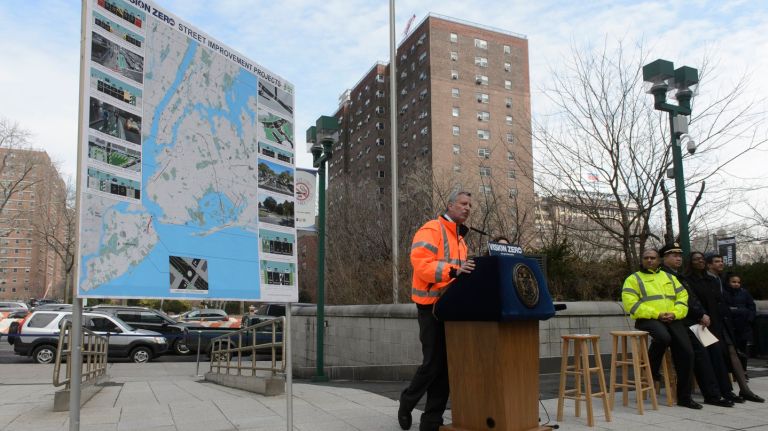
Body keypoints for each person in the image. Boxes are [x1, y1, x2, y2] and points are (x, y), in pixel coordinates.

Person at [398, 190, 475, 431]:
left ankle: (432, 421)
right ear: (450, 205)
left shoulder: (461, 240)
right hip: (430, 307)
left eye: (470, 205)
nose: (467, 208)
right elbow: (421, 265)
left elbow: (464, 274)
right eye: (463, 204)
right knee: (432, 364)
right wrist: (454, 270)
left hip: (451, 310)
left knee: (445, 367)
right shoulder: (432, 229)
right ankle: (407, 401)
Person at [621, 248, 700, 409]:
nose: (649, 260)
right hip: (647, 319)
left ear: (659, 261)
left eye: (653, 258)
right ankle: (652, 369)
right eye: (646, 257)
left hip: (672, 318)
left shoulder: (670, 277)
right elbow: (631, 304)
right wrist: (657, 314)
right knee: (664, 338)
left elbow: (683, 298)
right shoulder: (633, 279)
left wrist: (675, 313)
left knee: (687, 352)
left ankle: (684, 397)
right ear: (641, 260)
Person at [659, 244, 733, 407]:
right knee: (700, 355)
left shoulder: (678, 276)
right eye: (673, 255)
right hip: (683, 322)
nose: (678, 257)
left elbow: (691, 299)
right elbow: (681, 301)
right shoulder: (664, 276)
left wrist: (701, 315)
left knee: (714, 350)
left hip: (695, 321)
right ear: (664, 258)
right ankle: (711, 395)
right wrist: (700, 314)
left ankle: (725, 391)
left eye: (679, 254)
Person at [700, 253, 764, 403]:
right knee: (718, 356)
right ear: (709, 264)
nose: (721, 264)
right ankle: (723, 390)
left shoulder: (721, 281)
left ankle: (744, 389)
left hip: (724, 324)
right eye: (717, 261)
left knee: (733, 353)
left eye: (721, 261)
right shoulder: (706, 280)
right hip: (709, 325)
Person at [723, 272, 756, 374]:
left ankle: (743, 371)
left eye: (738, 282)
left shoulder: (744, 293)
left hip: (743, 326)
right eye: (733, 282)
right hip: (731, 326)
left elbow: (752, 307)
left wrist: (749, 319)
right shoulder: (724, 293)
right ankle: (733, 372)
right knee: (732, 350)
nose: (736, 284)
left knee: (743, 350)